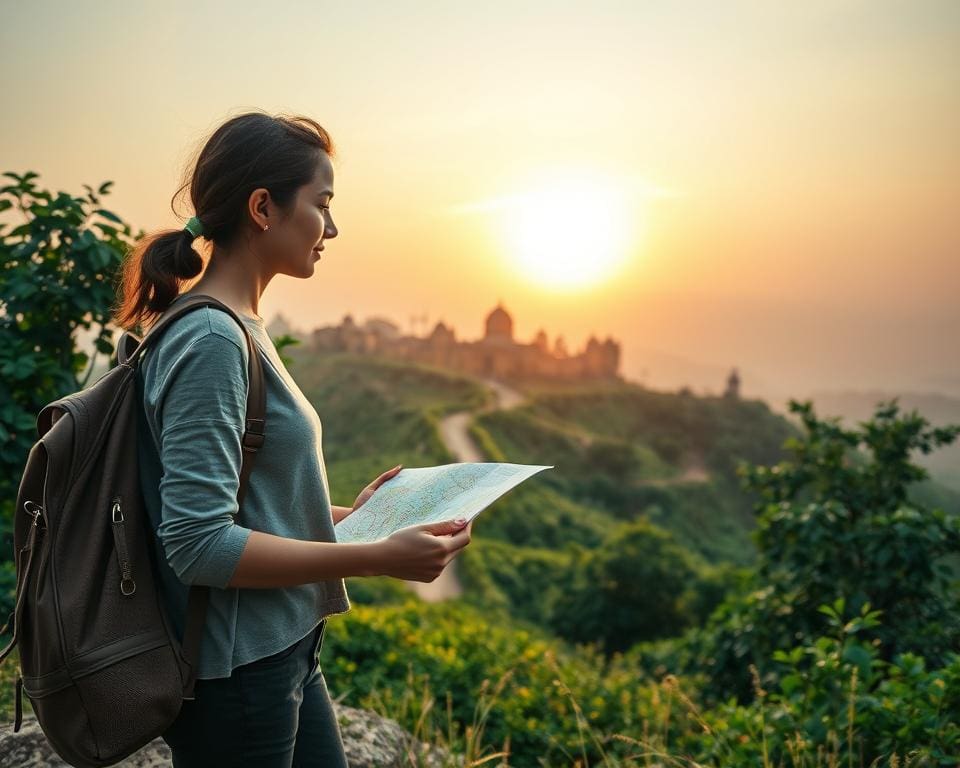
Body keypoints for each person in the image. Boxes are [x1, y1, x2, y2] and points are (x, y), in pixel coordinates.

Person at [111, 110, 473, 767]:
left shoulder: (240, 325)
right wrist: (373, 557)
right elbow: (197, 544)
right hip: (237, 676)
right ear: (263, 208)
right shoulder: (212, 340)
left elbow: (250, 501)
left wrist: (355, 519)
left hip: (284, 651)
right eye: (322, 204)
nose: (332, 228)